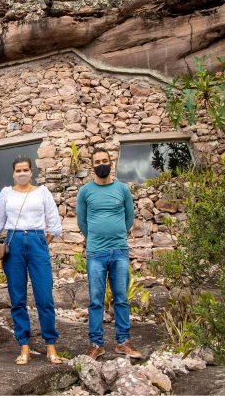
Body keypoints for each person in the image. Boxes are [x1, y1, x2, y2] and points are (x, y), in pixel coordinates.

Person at [0, 155, 64, 365]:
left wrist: (42, 244)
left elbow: (54, 224)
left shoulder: (43, 192)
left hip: (37, 240)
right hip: (13, 242)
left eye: (25, 170)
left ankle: (51, 346)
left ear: (32, 171)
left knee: (44, 296)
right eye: (18, 170)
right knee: (17, 298)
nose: (22, 173)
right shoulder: (6, 193)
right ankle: (23, 346)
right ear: (13, 173)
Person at [76, 147, 142, 360]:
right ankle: (96, 344)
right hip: (96, 252)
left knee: (121, 298)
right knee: (96, 299)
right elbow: (82, 221)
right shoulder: (85, 191)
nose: (101, 164)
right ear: (92, 166)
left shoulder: (122, 189)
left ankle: (123, 341)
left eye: (105, 160)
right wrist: (96, 237)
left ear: (111, 163)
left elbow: (129, 219)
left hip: (120, 251)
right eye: (97, 161)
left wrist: (116, 235)